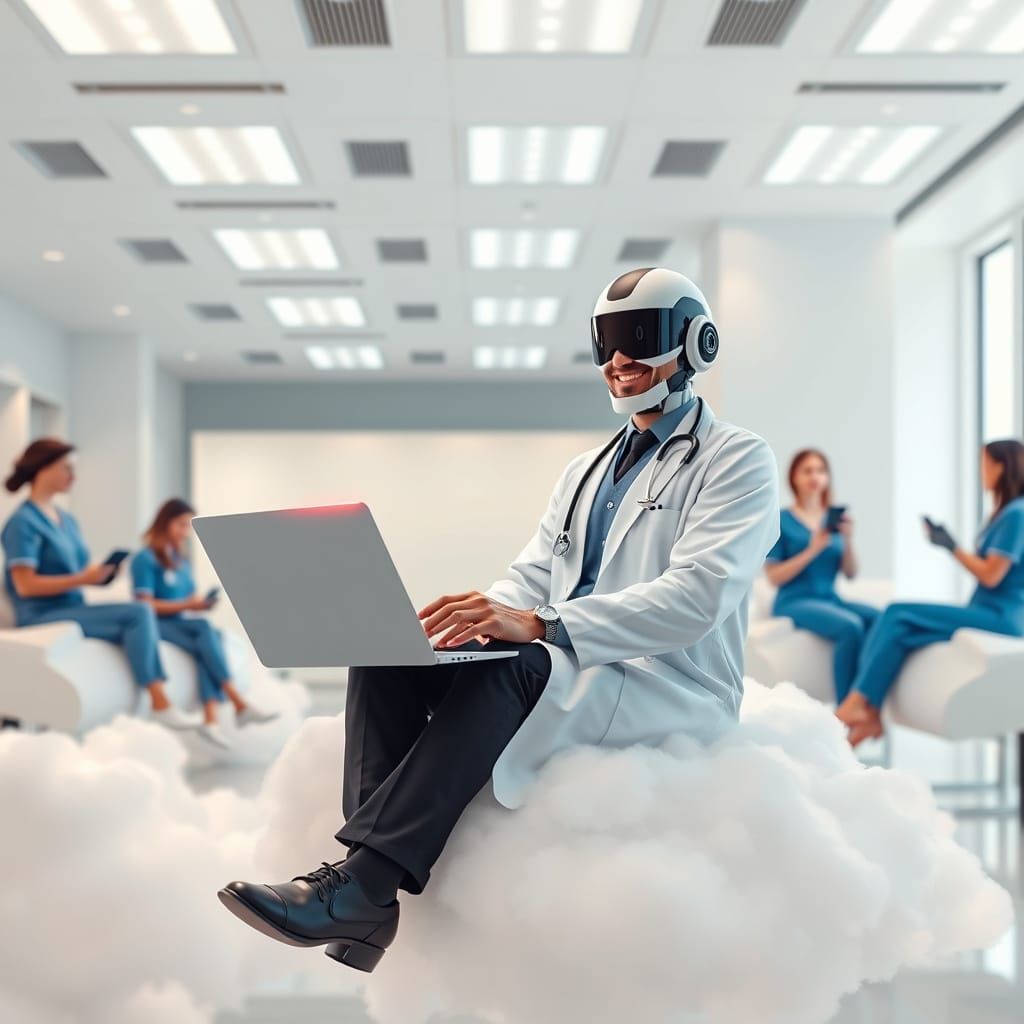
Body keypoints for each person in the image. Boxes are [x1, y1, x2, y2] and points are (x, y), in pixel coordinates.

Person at [217, 267, 779, 973]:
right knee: (387, 653)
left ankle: (363, 888)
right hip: (577, 663)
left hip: (666, 684)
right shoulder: (585, 469)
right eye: (606, 341)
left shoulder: (738, 460)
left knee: (522, 662)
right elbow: (533, 574)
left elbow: (699, 595)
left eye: (640, 338)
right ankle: (364, 887)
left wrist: (540, 627)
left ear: (696, 343)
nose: (618, 360)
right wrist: (470, 624)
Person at [1, 439, 197, 730]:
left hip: (73, 605)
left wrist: (100, 577)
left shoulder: (66, 520)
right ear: (43, 470)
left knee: (135, 617)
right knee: (139, 612)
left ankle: (142, 701)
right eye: (67, 468)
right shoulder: (22, 522)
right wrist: (83, 579)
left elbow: (76, 572)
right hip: (40, 614)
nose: (73, 476)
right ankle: (159, 701)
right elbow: (26, 586)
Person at [837, 440, 1024, 745]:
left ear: (1000, 466)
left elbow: (992, 575)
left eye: (984, 463)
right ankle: (870, 715)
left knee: (897, 612)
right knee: (899, 630)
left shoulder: (1016, 513)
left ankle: (859, 702)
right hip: (988, 611)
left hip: (1001, 618)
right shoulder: (1003, 513)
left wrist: (951, 547)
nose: (981, 471)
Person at [131, 498, 278, 751]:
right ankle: (237, 702)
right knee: (205, 631)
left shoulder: (180, 560)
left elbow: (186, 597)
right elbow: (144, 607)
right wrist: (189, 607)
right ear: (164, 523)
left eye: (188, 526)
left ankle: (212, 721)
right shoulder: (144, 559)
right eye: (180, 525)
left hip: (180, 623)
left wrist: (199, 603)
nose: (185, 532)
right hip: (154, 625)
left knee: (210, 640)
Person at [763, 449, 878, 702]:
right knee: (850, 627)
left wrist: (847, 540)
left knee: (879, 618)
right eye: (808, 470)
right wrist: (812, 550)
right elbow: (774, 577)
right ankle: (846, 707)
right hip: (794, 601)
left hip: (830, 599)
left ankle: (869, 698)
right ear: (794, 477)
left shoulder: (833, 522)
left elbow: (851, 573)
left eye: (821, 470)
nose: (815, 476)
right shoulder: (781, 519)